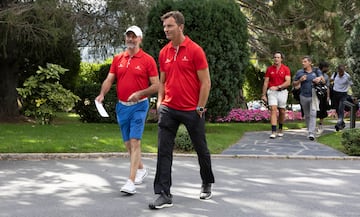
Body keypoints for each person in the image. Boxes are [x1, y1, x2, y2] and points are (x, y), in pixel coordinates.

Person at [148, 11, 215, 209]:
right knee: (164, 151)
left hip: (191, 110)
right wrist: (160, 103)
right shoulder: (164, 52)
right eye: (165, 27)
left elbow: (206, 82)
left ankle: (206, 182)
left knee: (201, 149)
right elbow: (162, 81)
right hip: (169, 108)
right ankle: (163, 193)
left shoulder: (195, 51)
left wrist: (200, 106)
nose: (166, 30)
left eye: (170, 26)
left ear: (180, 27)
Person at [95, 25, 159, 194]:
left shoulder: (148, 60)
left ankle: (130, 181)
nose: (131, 39)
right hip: (122, 107)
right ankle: (141, 169)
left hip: (139, 106)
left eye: (134, 36)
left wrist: (140, 93)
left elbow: (157, 85)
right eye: (128, 36)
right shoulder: (118, 59)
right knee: (128, 145)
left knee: (135, 141)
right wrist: (102, 94)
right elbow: (109, 79)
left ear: (140, 39)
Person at [293, 56, 325, 140]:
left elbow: (323, 80)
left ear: (310, 62)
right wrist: (300, 80)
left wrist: (319, 79)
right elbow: (294, 84)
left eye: (305, 61)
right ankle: (309, 130)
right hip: (303, 96)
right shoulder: (300, 72)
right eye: (302, 62)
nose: (303, 63)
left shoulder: (316, 71)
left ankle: (311, 133)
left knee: (313, 114)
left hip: (314, 95)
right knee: (307, 115)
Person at [261, 51, 291, 139]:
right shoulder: (269, 69)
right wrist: (263, 94)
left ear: (281, 59)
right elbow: (266, 82)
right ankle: (273, 131)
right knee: (273, 109)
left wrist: (278, 87)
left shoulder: (286, 69)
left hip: (282, 91)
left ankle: (280, 128)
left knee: (282, 111)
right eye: (275, 57)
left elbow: (288, 82)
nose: (276, 59)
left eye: (278, 57)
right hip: (272, 92)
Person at [331, 64, 353, 131]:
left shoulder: (347, 76)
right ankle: (342, 123)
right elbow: (331, 80)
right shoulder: (335, 74)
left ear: (344, 71)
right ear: (338, 70)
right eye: (340, 72)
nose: (341, 73)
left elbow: (351, 85)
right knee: (337, 110)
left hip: (343, 94)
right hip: (335, 94)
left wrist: (353, 95)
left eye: (342, 72)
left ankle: (338, 124)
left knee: (341, 109)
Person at [316, 61, 330, 134]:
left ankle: (320, 124)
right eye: (326, 67)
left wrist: (328, 96)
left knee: (322, 110)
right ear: (323, 67)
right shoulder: (315, 73)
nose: (327, 69)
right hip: (315, 94)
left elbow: (327, 87)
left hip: (323, 95)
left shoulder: (326, 76)